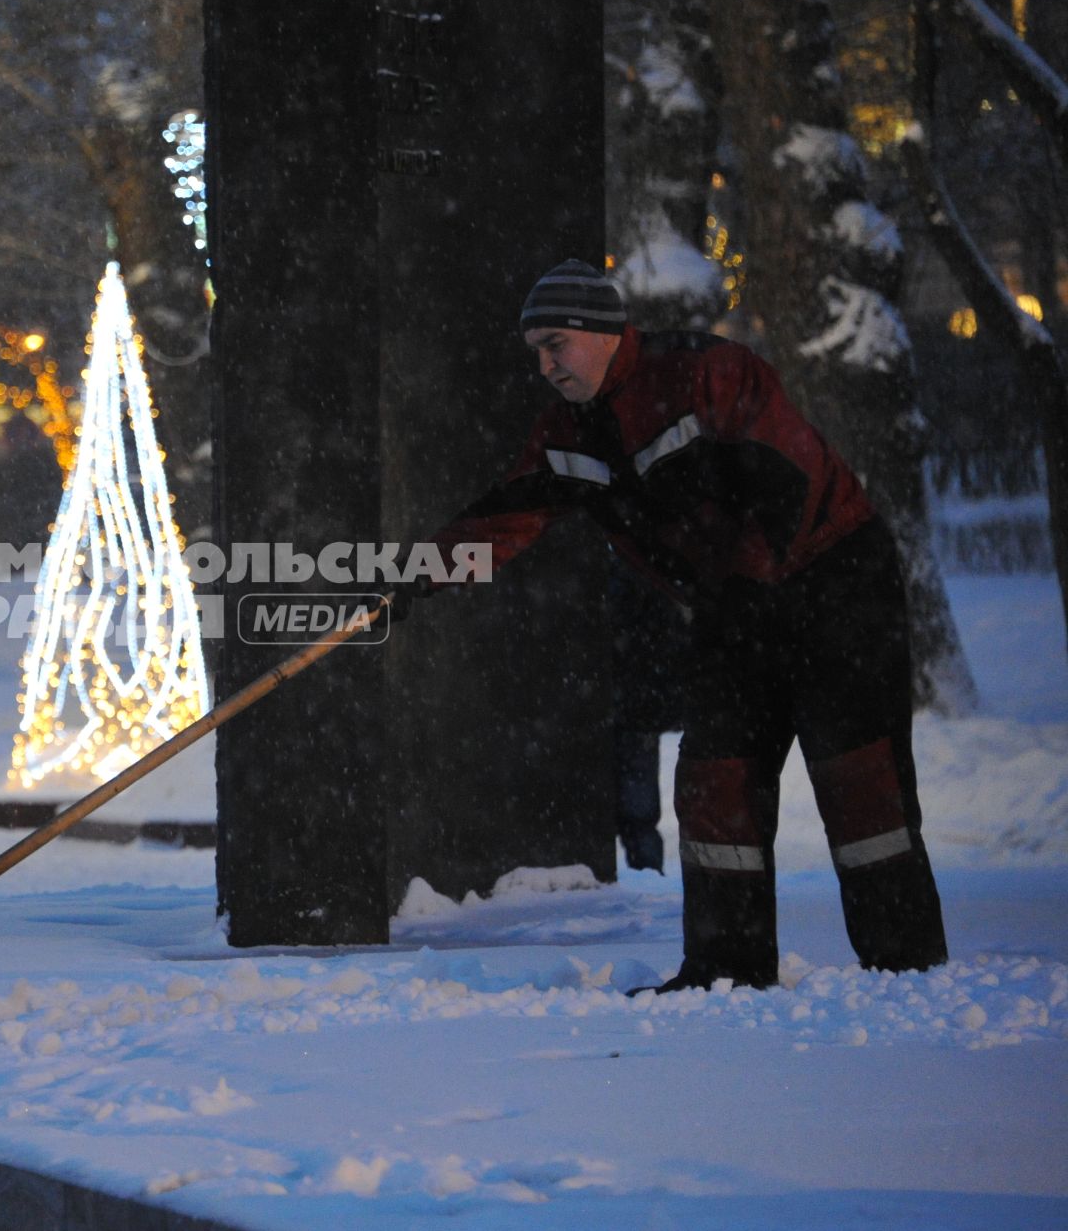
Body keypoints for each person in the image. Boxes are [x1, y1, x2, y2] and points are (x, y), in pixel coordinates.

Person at [403, 259, 948, 993]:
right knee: (715, 777)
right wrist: (415, 575)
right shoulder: (568, 432)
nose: (545, 364)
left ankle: (905, 968)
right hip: (730, 604)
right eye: (536, 349)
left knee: (859, 776)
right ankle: (725, 969)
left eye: (556, 343)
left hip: (834, 582)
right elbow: (508, 513)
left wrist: (752, 584)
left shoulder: (707, 372)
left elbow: (785, 477)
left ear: (604, 333)